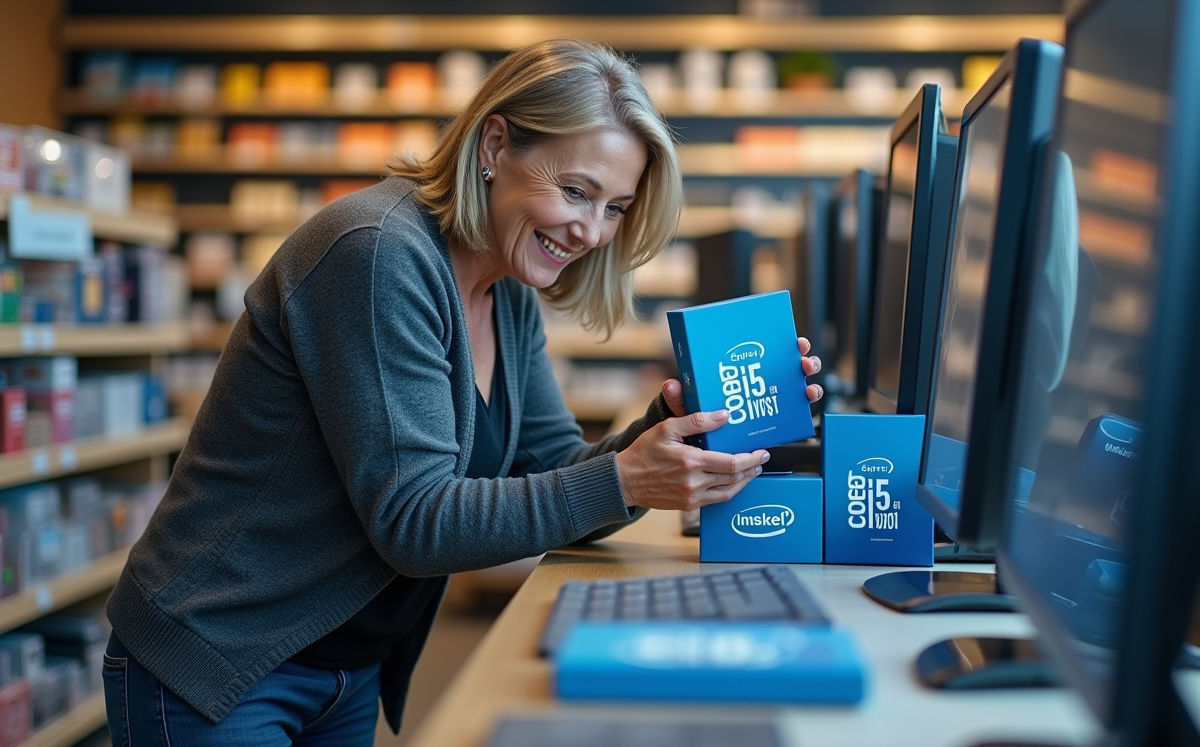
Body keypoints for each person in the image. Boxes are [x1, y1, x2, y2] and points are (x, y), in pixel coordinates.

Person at [101, 38, 823, 746]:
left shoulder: (504, 288)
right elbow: (414, 520)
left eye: (615, 208)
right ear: (494, 145)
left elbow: (553, 469)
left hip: (341, 666)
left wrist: (672, 428)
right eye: (576, 191)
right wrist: (628, 476)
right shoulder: (378, 253)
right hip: (221, 660)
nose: (591, 231)